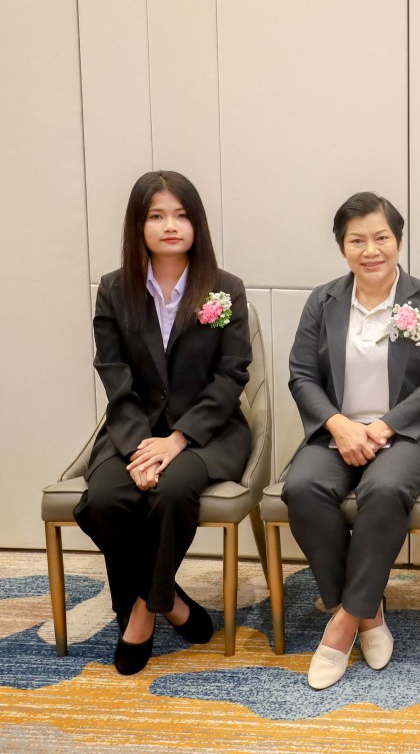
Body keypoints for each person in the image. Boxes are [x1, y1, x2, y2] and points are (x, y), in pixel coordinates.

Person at [75, 171, 252, 675]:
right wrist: (141, 446)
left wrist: (177, 440)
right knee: (105, 498)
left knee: (173, 491)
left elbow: (231, 375)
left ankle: (140, 612)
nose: (170, 225)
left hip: (207, 432)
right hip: (133, 428)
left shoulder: (225, 289)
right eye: (156, 216)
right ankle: (170, 600)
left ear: (196, 223)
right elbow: (114, 375)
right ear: (138, 225)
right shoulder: (114, 290)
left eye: (181, 215)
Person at [283, 192, 420, 690]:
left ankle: (342, 624)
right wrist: (339, 425)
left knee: (384, 489)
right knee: (302, 488)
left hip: (406, 434)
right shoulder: (323, 301)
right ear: (342, 247)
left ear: (398, 241)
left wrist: (383, 427)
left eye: (381, 237)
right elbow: (301, 375)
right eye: (356, 240)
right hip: (337, 431)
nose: (370, 250)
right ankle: (369, 612)